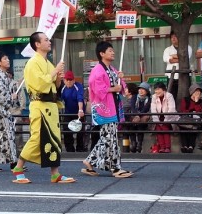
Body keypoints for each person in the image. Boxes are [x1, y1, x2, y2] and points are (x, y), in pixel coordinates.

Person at [12, 32, 75, 184]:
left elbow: (55, 86)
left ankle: (55, 173)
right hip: (39, 105)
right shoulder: (33, 63)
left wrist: (58, 78)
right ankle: (18, 168)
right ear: (37, 44)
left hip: (50, 105)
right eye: (46, 40)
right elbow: (40, 85)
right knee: (37, 137)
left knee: (53, 139)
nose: (49, 41)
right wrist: (55, 72)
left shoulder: (48, 63)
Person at [82, 41, 132, 178]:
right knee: (110, 138)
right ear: (102, 53)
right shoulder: (97, 70)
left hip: (112, 108)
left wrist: (121, 80)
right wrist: (113, 88)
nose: (113, 52)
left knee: (108, 137)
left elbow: (121, 87)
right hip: (104, 109)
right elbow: (97, 89)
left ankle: (90, 160)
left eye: (112, 50)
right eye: (110, 50)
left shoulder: (112, 69)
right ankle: (115, 168)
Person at [58, 70, 85, 152]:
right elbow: (59, 100)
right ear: (64, 80)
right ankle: (69, 149)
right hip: (68, 113)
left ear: (74, 80)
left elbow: (80, 98)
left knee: (80, 131)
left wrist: (80, 110)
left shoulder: (78, 86)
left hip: (78, 112)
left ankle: (80, 148)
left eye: (71, 80)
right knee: (67, 131)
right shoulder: (63, 89)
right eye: (67, 80)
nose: (69, 82)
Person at [162, 30, 192, 100]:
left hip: (184, 76)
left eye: (175, 36)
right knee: (171, 95)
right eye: (172, 37)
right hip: (171, 76)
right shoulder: (167, 49)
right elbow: (168, 60)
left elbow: (186, 59)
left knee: (186, 95)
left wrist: (173, 56)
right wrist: (180, 58)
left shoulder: (188, 47)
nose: (173, 38)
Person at [150, 82, 179, 153]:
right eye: (155, 89)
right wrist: (157, 121)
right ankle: (162, 147)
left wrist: (165, 121)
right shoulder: (154, 97)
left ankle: (167, 147)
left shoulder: (169, 96)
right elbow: (153, 109)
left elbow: (171, 109)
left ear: (163, 90)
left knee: (165, 128)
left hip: (169, 116)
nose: (157, 91)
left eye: (158, 89)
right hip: (158, 117)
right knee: (158, 128)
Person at [178, 83, 202, 153]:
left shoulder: (201, 101)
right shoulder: (185, 100)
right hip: (186, 118)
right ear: (192, 92)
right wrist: (191, 110)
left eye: (199, 91)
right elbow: (183, 110)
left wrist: (196, 102)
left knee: (194, 126)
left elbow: (199, 111)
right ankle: (184, 145)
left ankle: (191, 146)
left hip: (196, 120)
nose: (198, 93)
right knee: (183, 127)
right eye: (196, 91)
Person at [128, 82, 151, 153]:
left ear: (147, 91)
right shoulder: (134, 96)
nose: (140, 91)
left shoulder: (149, 99)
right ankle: (133, 142)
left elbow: (146, 109)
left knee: (141, 124)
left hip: (143, 115)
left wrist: (139, 116)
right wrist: (136, 115)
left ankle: (139, 144)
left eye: (143, 89)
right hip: (134, 115)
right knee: (132, 123)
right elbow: (132, 107)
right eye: (139, 89)